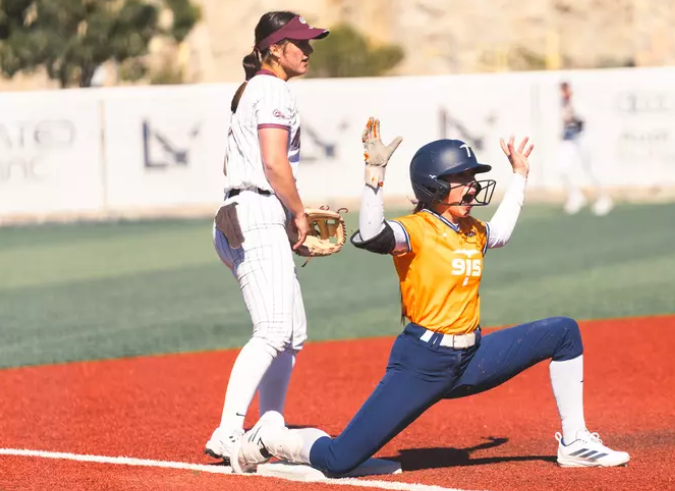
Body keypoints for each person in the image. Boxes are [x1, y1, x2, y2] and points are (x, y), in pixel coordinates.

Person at [228, 118, 631, 474]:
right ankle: (270, 439)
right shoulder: (418, 229)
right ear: (435, 185)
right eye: (463, 179)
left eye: (473, 177)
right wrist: (375, 174)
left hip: (471, 359)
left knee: (563, 332)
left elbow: (502, 232)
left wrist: (520, 175)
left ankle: (575, 441)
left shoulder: (472, 229)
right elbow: (371, 235)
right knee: (338, 461)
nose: (472, 186)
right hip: (422, 364)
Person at [204, 11, 329, 462]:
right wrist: (298, 213)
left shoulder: (249, 91)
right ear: (275, 48)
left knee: (292, 331)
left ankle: (269, 421)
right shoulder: (272, 89)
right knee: (274, 329)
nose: (308, 50)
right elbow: (275, 164)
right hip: (255, 212)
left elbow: (228, 165)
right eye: (300, 42)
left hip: (243, 212)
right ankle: (228, 431)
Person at [558, 81, 613, 216]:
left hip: (582, 136)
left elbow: (582, 118)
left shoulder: (576, 101)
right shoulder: (562, 102)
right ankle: (576, 195)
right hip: (569, 137)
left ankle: (604, 197)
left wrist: (572, 111)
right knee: (562, 167)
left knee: (591, 169)